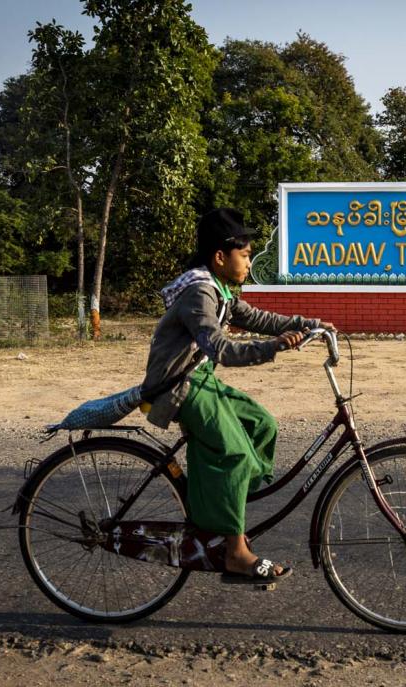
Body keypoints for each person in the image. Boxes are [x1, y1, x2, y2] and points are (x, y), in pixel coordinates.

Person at [140, 208, 332, 582]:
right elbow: (220, 349)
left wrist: (308, 324)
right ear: (219, 257)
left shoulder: (221, 289)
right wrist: (273, 347)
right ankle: (235, 551)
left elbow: (258, 318)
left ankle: (224, 514)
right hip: (179, 387)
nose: (248, 262)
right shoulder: (199, 292)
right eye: (244, 255)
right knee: (236, 454)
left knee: (261, 425)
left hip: (199, 379)